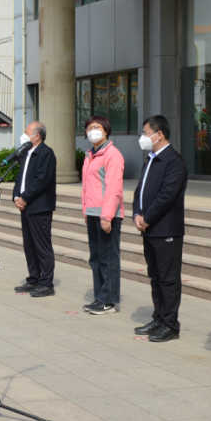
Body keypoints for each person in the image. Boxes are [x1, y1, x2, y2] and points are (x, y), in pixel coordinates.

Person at [132, 115, 188, 342]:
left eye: (145, 133)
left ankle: (170, 324)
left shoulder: (174, 162)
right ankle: (159, 317)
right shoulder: (151, 159)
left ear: (159, 134)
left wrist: (147, 218)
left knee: (168, 278)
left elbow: (167, 196)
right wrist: (136, 213)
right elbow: (140, 190)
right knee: (155, 276)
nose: (143, 137)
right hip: (149, 228)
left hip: (166, 230)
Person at [80, 116, 124, 314]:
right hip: (92, 212)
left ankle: (109, 300)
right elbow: (87, 187)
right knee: (96, 258)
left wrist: (107, 216)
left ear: (106, 130)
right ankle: (100, 298)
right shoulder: (90, 154)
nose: (92, 131)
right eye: (89, 128)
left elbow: (114, 188)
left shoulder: (112, 154)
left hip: (107, 214)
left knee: (108, 258)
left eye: (96, 127)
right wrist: (85, 210)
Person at [12, 121, 57, 298]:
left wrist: (25, 198)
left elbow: (42, 180)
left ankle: (46, 283)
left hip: (39, 207)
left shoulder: (46, 153)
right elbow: (19, 178)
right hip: (26, 207)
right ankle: (33, 279)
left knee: (42, 246)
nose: (24, 135)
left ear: (37, 135)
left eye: (27, 132)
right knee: (29, 246)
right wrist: (17, 196)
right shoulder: (25, 154)